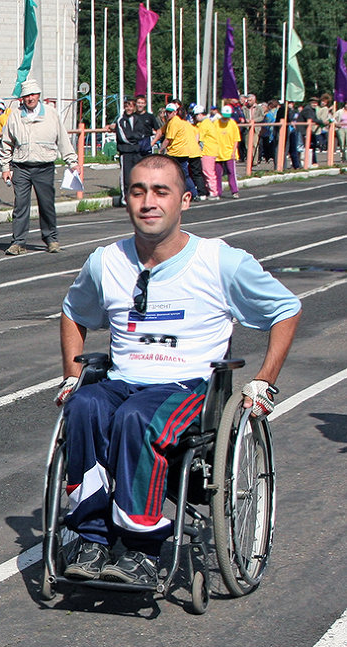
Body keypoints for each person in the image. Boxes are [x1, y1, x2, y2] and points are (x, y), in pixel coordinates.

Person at [55, 155, 300, 584]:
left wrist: (264, 380)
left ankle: (141, 549)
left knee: (137, 417)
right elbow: (73, 312)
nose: (148, 202)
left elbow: (285, 309)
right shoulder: (105, 262)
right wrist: (72, 375)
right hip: (121, 380)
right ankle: (91, 538)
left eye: (160, 192)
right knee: (83, 406)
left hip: (187, 386)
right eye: (138, 191)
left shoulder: (220, 261)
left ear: (184, 200)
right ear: (127, 200)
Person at [0, 79, 79, 256]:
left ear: (39, 96)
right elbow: (6, 143)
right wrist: (5, 167)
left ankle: (51, 239)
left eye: (33, 95)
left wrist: (72, 162)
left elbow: (63, 140)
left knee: (47, 204)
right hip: (21, 167)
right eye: (26, 95)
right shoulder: (15, 116)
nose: (30, 98)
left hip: (44, 167)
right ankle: (18, 242)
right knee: (20, 206)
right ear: (22, 98)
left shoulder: (51, 114)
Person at [110, 95, 158, 205]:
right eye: (127, 107)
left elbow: (141, 133)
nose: (129, 109)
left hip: (137, 151)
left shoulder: (137, 119)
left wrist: (136, 138)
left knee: (138, 175)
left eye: (131, 107)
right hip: (125, 151)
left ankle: (136, 196)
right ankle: (124, 198)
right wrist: (134, 139)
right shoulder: (121, 120)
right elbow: (124, 137)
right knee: (126, 176)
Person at [156, 102, 207, 200]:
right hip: (185, 152)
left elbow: (168, 139)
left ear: (175, 113)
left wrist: (161, 149)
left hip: (176, 153)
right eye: (167, 112)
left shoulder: (174, 123)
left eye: (170, 112)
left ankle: (189, 193)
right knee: (185, 174)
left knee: (176, 174)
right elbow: (197, 136)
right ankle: (194, 193)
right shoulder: (182, 124)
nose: (168, 114)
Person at [213, 104, 242, 198]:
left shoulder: (233, 124)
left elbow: (236, 140)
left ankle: (234, 191)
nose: (226, 119)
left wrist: (233, 152)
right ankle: (218, 191)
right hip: (218, 152)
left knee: (231, 172)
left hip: (229, 152)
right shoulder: (216, 123)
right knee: (218, 173)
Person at [194, 106, 220, 199]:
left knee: (208, 171)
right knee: (207, 171)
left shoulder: (204, 124)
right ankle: (210, 190)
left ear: (201, 114)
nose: (195, 117)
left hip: (207, 151)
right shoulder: (205, 123)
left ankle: (213, 192)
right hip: (209, 150)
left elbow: (199, 139)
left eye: (196, 115)